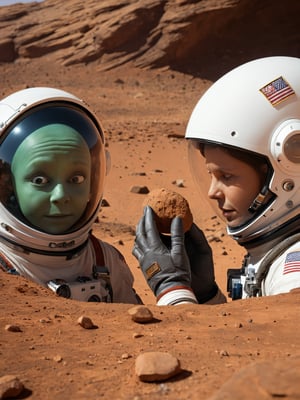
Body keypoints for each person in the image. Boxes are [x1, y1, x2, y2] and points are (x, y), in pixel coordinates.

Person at [132, 56, 300, 305]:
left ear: (286, 173)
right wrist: (206, 296)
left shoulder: (293, 276)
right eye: (211, 175)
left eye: (227, 176)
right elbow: (251, 339)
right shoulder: (278, 254)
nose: (213, 192)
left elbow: (204, 346)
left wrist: (172, 290)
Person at [0, 87, 141, 304]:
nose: (61, 196)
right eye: (40, 180)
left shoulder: (105, 259)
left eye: (76, 179)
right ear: (8, 184)